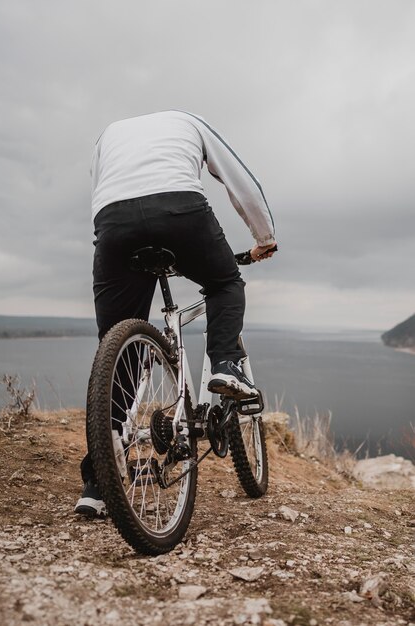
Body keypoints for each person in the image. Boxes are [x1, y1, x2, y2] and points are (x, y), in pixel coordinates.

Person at [75, 110, 277, 517]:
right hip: (179, 209)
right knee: (226, 284)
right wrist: (264, 238)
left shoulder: (107, 136)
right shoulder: (190, 121)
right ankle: (226, 365)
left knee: (115, 350)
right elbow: (240, 183)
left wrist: (117, 234)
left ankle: (97, 484)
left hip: (113, 222)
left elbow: (103, 188)